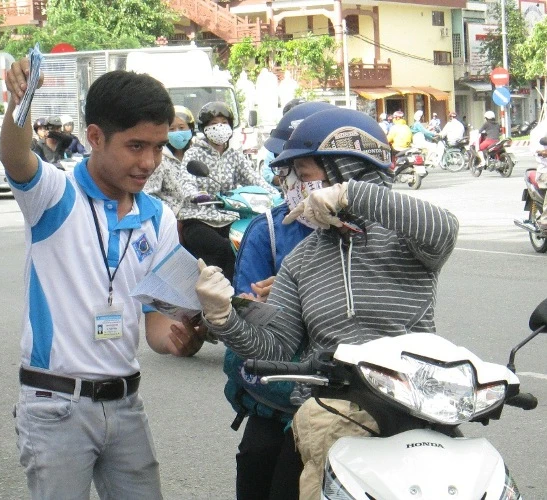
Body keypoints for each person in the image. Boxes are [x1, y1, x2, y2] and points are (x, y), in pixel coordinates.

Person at [194, 107, 459, 500]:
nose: (296, 187)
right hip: (329, 411)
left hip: (415, 406)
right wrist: (222, 317)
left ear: (345, 169)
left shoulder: (407, 241)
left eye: (305, 175)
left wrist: (351, 195)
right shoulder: (302, 258)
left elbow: (443, 227)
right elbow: (277, 347)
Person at [2, 59, 208, 500]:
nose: (149, 162)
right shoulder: (55, 195)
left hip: (126, 406)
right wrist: (21, 101)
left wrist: (179, 340)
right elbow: (16, 158)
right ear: (95, 137)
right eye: (136, 146)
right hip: (55, 407)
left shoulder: (158, 218)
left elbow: (156, 322)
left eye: (158, 146)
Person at [227, 101, 332, 500]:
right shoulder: (267, 232)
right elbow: (244, 321)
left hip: (355, 390)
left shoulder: (375, 230)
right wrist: (271, 305)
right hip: (282, 391)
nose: (292, 181)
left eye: (304, 170)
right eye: (288, 170)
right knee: (260, 457)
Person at [179, 101, 276, 281]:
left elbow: (254, 179)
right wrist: (196, 195)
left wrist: (276, 195)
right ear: (204, 128)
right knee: (222, 247)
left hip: (228, 216)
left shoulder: (234, 154)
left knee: (244, 244)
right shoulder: (194, 154)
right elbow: (186, 181)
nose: (219, 127)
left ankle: (237, 289)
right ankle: (209, 288)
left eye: (224, 122)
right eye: (214, 124)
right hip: (199, 218)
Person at [143, 105, 194, 215]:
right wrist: (172, 213)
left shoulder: (198, 156)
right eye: (172, 129)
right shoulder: (160, 159)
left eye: (181, 128)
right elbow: (148, 195)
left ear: (191, 129)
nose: (177, 133)